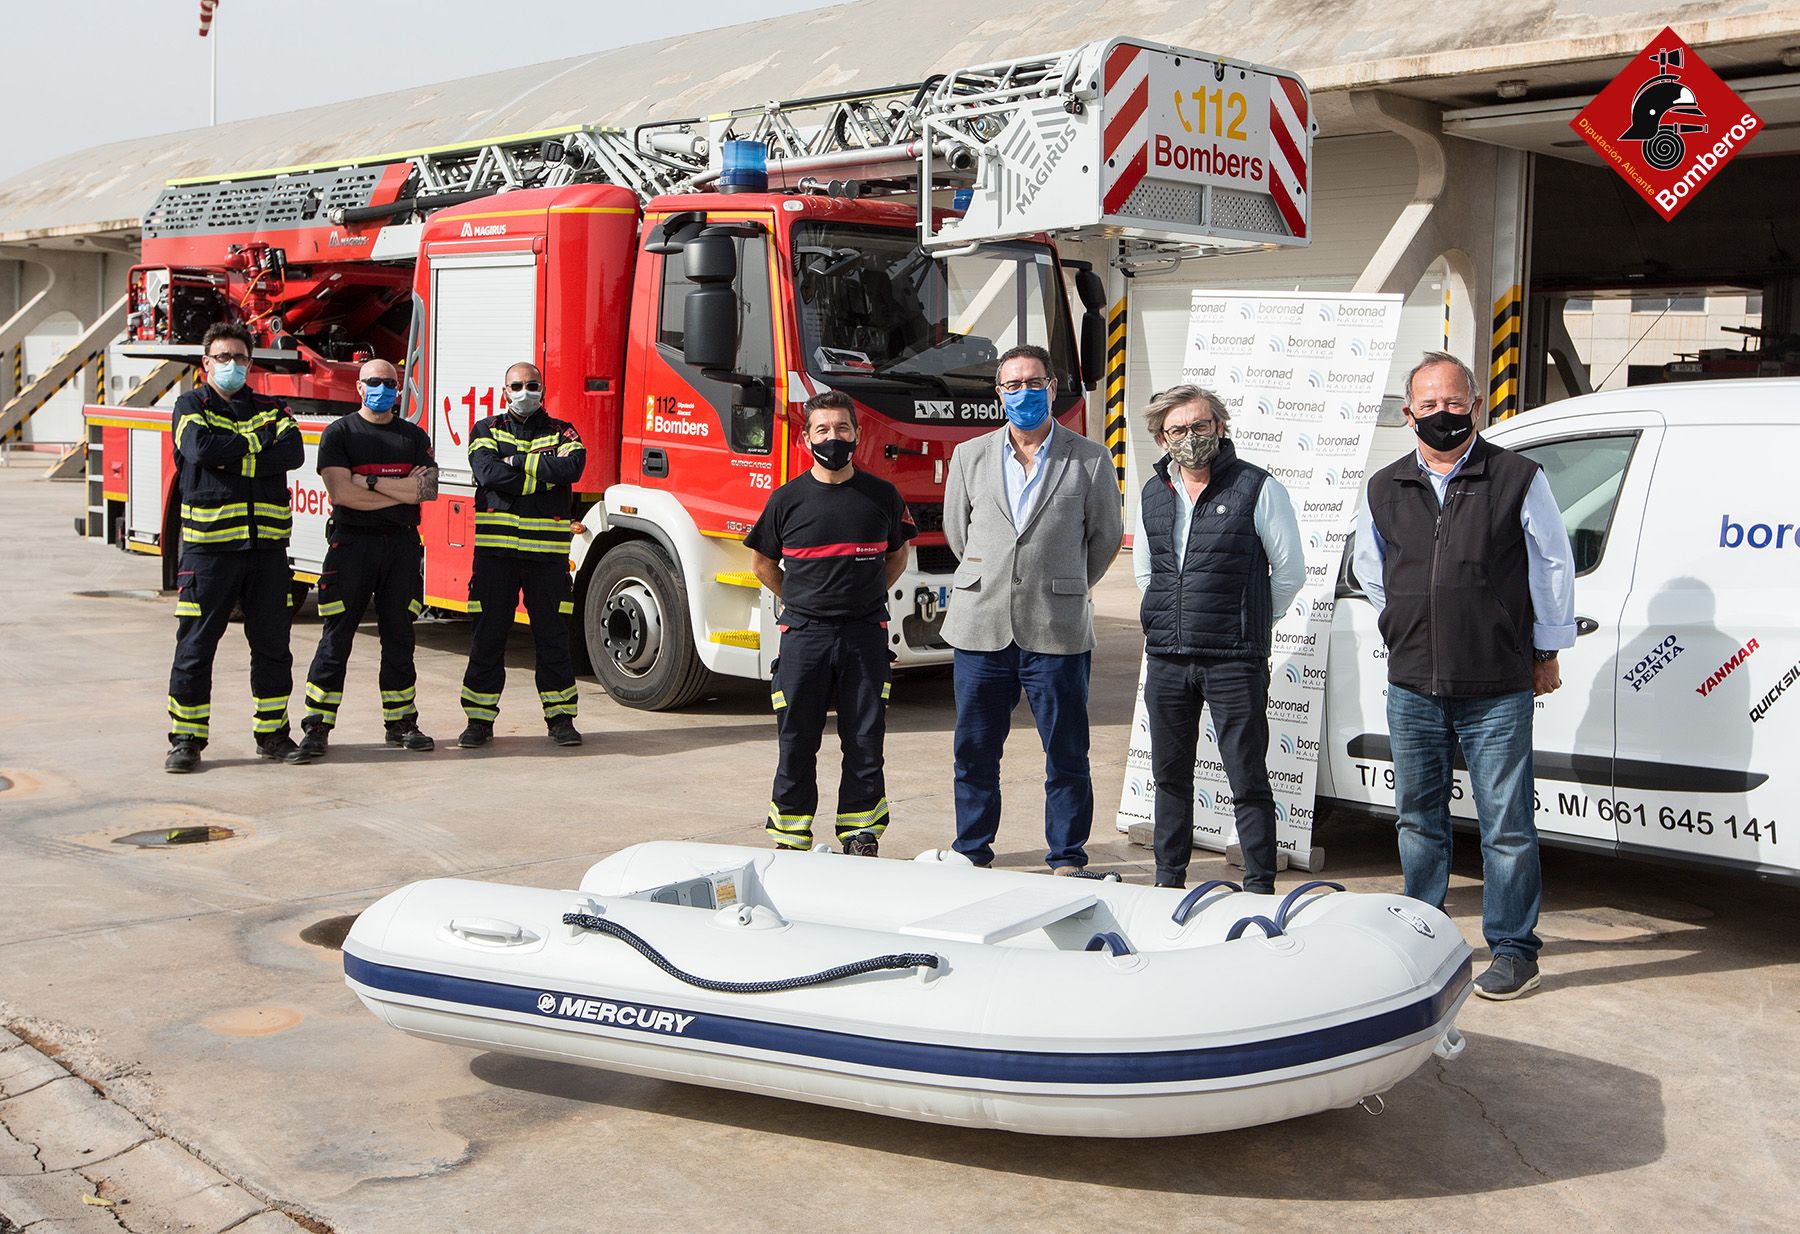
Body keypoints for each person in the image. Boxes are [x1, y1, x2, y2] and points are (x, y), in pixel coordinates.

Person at [1353, 350, 1576, 1001]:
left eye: (1455, 403)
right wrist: (1405, 619)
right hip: (1413, 684)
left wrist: (1545, 650)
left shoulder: (1516, 477)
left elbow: (1552, 567)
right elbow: (1373, 568)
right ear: (1409, 413)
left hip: (1497, 687)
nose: (1443, 414)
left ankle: (1513, 949)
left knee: (1506, 825)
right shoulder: (1385, 485)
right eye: (1430, 406)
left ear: (1475, 406)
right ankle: (1423, 934)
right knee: (1417, 818)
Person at [942, 343, 1124, 875]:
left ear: (1052, 387)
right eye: (1012, 384)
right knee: (974, 751)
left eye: (1033, 382)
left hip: (1057, 628)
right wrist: (993, 576)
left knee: (1066, 753)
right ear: (999, 394)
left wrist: (1063, 584)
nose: (1024, 392)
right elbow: (960, 534)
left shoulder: (1088, 458)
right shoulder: (969, 456)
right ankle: (971, 850)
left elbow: (1106, 537)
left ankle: (1067, 855)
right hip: (982, 626)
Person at [1131, 385, 1305, 893]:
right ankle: (1168, 880)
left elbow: (1289, 572)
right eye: (1178, 430)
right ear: (1162, 438)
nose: (1191, 437)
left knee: (1247, 780)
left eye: (1200, 426)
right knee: (1169, 777)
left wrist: (1247, 622)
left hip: (1234, 660)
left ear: (1220, 427)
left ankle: (1258, 885)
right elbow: (1147, 573)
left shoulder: (1257, 487)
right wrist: (1169, 617)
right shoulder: (1151, 493)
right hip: (1167, 658)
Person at [746, 391, 916, 855]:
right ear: (806, 439)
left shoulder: (881, 496)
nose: (833, 437)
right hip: (805, 636)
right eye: (822, 429)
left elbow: (899, 553)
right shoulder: (786, 500)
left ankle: (860, 832)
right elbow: (762, 563)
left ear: (857, 435)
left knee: (864, 738)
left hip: (864, 634)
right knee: (796, 738)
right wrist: (801, 599)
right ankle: (790, 833)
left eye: (842, 428)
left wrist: (866, 594)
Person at [163, 321, 305, 772]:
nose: (231, 365)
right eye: (222, 358)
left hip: (266, 553)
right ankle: (186, 740)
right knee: (196, 647)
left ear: (250, 363)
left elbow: (293, 454)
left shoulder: (272, 407)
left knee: (273, 647)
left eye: (239, 358)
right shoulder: (190, 404)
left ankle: (274, 735)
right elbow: (201, 449)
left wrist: (235, 453)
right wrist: (255, 447)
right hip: (209, 553)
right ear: (206, 364)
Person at [293, 359, 439, 759]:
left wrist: (370, 481)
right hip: (351, 547)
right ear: (359, 387)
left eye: (390, 383)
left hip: (402, 548)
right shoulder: (340, 434)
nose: (383, 388)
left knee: (400, 637)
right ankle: (317, 728)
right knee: (336, 639)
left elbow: (425, 492)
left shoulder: (413, 436)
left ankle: (401, 723)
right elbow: (342, 494)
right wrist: (400, 487)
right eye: (374, 382)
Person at [458, 361, 587, 749]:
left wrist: (515, 464)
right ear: (504, 391)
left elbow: (573, 468)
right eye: (517, 385)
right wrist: (541, 477)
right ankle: (478, 722)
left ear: (543, 390)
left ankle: (561, 720)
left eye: (533, 385)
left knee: (553, 640)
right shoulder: (485, 430)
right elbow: (488, 474)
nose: (525, 391)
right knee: (487, 638)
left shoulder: (564, 430)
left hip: (547, 559)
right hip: (496, 557)